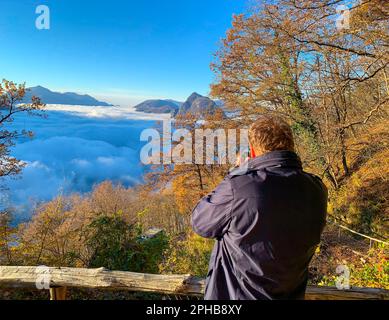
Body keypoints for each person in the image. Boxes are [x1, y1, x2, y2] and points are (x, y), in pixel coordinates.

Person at [191, 115, 328, 300]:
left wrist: (235, 173)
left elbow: (200, 223)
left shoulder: (239, 187)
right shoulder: (317, 188)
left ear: (253, 151)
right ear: (291, 146)